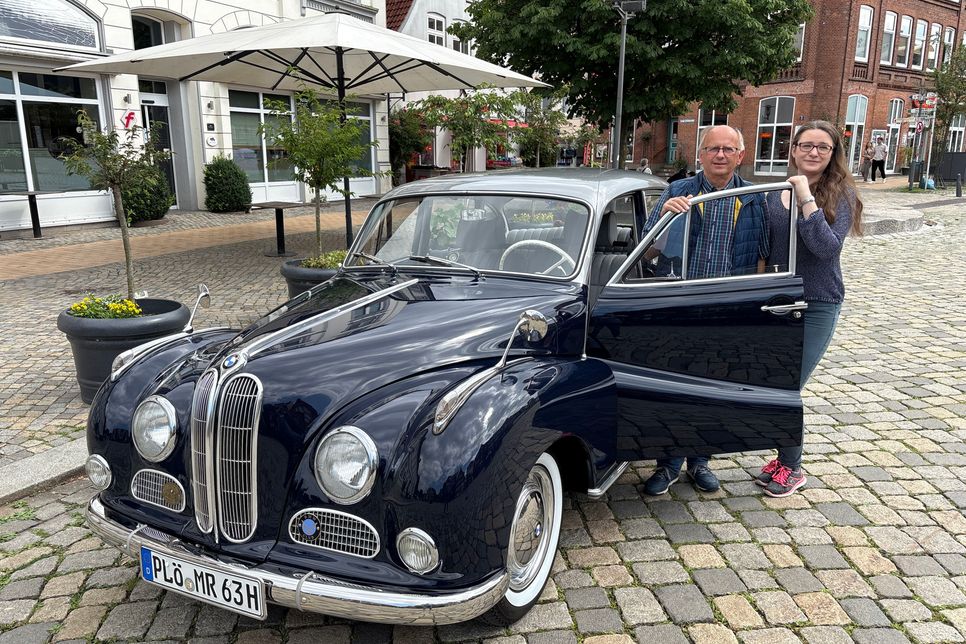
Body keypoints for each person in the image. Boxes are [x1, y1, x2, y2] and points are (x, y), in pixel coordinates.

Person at [640, 124, 770, 496]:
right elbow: (647, 251)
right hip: (681, 302)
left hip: (726, 305)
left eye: (729, 150)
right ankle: (668, 463)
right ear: (700, 155)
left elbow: (761, 255)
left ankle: (700, 461)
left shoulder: (754, 196)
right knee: (675, 385)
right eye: (713, 149)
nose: (720, 156)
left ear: (740, 156)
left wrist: (754, 305)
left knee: (714, 386)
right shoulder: (679, 191)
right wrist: (665, 216)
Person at [757, 120, 864, 497]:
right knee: (772, 382)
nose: (813, 152)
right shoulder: (772, 193)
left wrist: (805, 196)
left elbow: (825, 248)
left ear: (833, 153)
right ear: (794, 149)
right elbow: (765, 246)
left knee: (788, 386)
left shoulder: (842, 194)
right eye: (806, 145)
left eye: (823, 147)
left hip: (817, 302)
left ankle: (792, 468)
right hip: (776, 302)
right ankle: (783, 457)